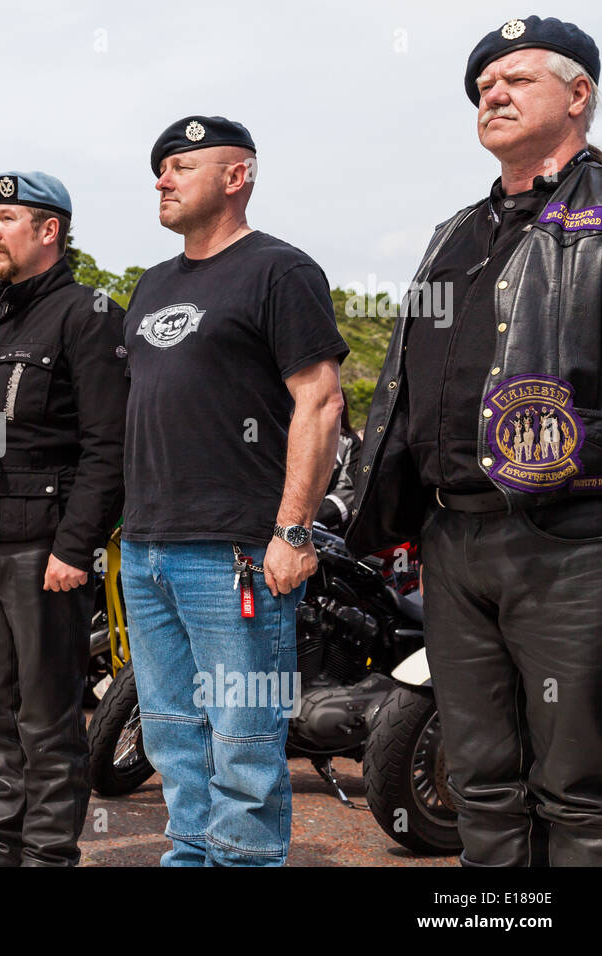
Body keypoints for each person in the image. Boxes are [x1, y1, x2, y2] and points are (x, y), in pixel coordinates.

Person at [346, 16, 602, 867]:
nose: (493, 90)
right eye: (482, 84)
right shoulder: (454, 232)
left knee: (579, 788)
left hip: (572, 541)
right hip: (451, 541)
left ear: (579, 95)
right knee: (480, 780)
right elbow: (407, 388)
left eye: (517, 78)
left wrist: (569, 454)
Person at [121, 117, 347, 866]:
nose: (162, 177)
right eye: (159, 168)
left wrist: (292, 530)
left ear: (236, 174)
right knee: (171, 737)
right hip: (148, 548)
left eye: (181, 165)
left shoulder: (280, 271)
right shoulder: (152, 286)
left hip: (237, 553)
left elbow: (320, 401)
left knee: (244, 744)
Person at [0, 172, 128, 867]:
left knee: (46, 712)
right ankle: (1, 841)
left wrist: (75, 547)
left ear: (49, 230)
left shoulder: (88, 313)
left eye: (7, 217)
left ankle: (49, 853)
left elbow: (107, 446)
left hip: (43, 549)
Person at [317, 392, 362, 536]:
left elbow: (347, 492)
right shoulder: (283, 432)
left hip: (324, 530)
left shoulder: (349, 443)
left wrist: (308, 518)